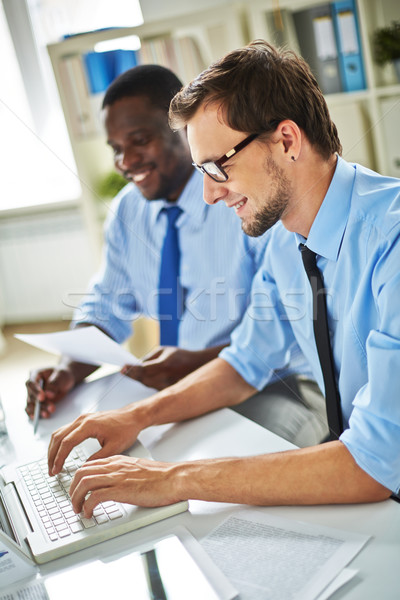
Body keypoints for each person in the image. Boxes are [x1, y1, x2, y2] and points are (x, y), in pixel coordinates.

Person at [47, 38, 400, 517]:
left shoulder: (391, 242)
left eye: (217, 167)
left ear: (288, 141)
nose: (209, 195)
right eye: (200, 171)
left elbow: (374, 464)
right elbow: (247, 361)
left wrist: (173, 479)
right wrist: (135, 416)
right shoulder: (284, 236)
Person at [26, 63, 326, 447]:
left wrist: (198, 361)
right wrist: (66, 372)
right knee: (120, 453)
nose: (126, 161)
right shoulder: (127, 213)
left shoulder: (247, 201)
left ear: (182, 131)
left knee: (223, 470)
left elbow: (290, 330)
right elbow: (104, 308)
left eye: (139, 140)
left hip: (273, 386)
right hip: (179, 386)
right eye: (117, 149)